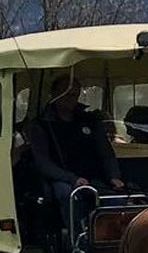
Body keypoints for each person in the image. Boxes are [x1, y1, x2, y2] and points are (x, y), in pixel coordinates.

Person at [25, 73, 125, 235]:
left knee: (117, 199)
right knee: (68, 196)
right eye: (65, 93)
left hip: (93, 177)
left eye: (74, 94)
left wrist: (114, 176)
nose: (70, 98)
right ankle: (78, 242)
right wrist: (72, 179)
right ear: (54, 94)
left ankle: (111, 240)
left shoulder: (90, 121)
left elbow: (106, 153)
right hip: (60, 178)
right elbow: (42, 162)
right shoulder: (42, 125)